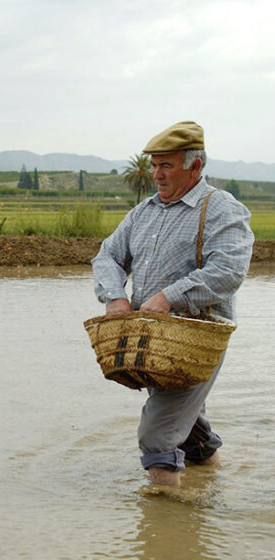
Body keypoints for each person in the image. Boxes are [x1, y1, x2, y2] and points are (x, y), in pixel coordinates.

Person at [91, 121, 254, 487]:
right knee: (192, 433)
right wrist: (116, 296)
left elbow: (228, 271)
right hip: (150, 344)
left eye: (166, 165)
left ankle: (166, 528)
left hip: (195, 343)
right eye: (153, 165)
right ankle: (215, 491)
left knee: (158, 435)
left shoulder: (221, 209)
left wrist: (168, 297)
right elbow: (107, 256)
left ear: (195, 166)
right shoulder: (143, 212)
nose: (156, 174)